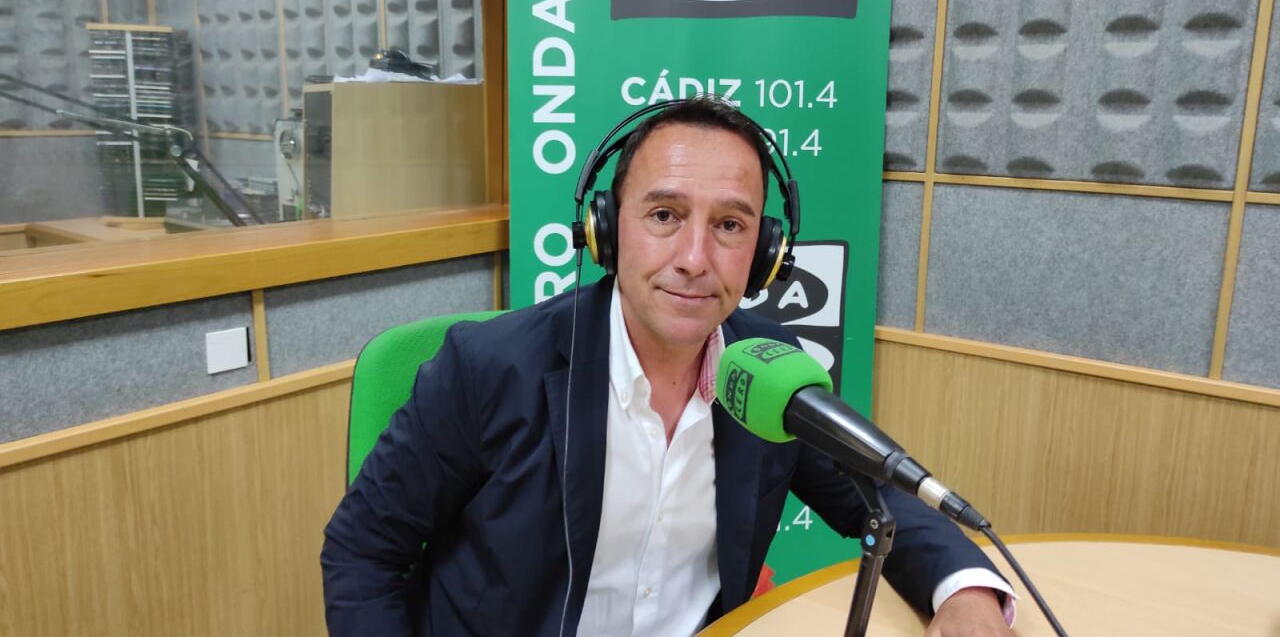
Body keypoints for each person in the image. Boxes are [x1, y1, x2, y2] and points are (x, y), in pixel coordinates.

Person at [322, 97, 1016, 636]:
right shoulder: (490, 368)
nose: (693, 258)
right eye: (663, 215)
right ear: (607, 228)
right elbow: (362, 552)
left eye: (730, 225)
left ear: (766, 253)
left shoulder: (766, 376)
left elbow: (882, 496)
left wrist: (965, 590)